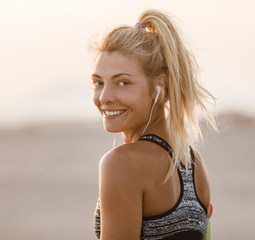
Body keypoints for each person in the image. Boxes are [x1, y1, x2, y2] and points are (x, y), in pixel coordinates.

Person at [91, 9, 216, 240]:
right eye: (98, 82)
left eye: (123, 82)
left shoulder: (121, 163)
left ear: (159, 87)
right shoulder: (193, 162)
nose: (105, 97)